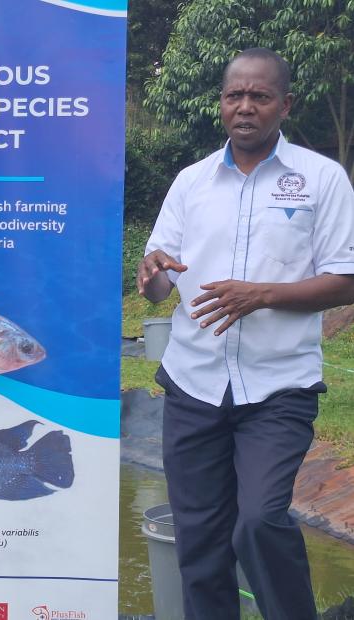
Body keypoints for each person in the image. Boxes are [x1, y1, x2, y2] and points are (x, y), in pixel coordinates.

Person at [137, 48, 354, 620]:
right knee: (200, 543)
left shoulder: (322, 179)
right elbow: (160, 281)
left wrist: (263, 294)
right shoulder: (191, 183)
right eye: (235, 95)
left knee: (259, 521)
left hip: (278, 389)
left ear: (285, 104)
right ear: (221, 104)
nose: (246, 107)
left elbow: (346, 279)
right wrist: (153, 275)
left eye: (260, 96)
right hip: (193, 385)